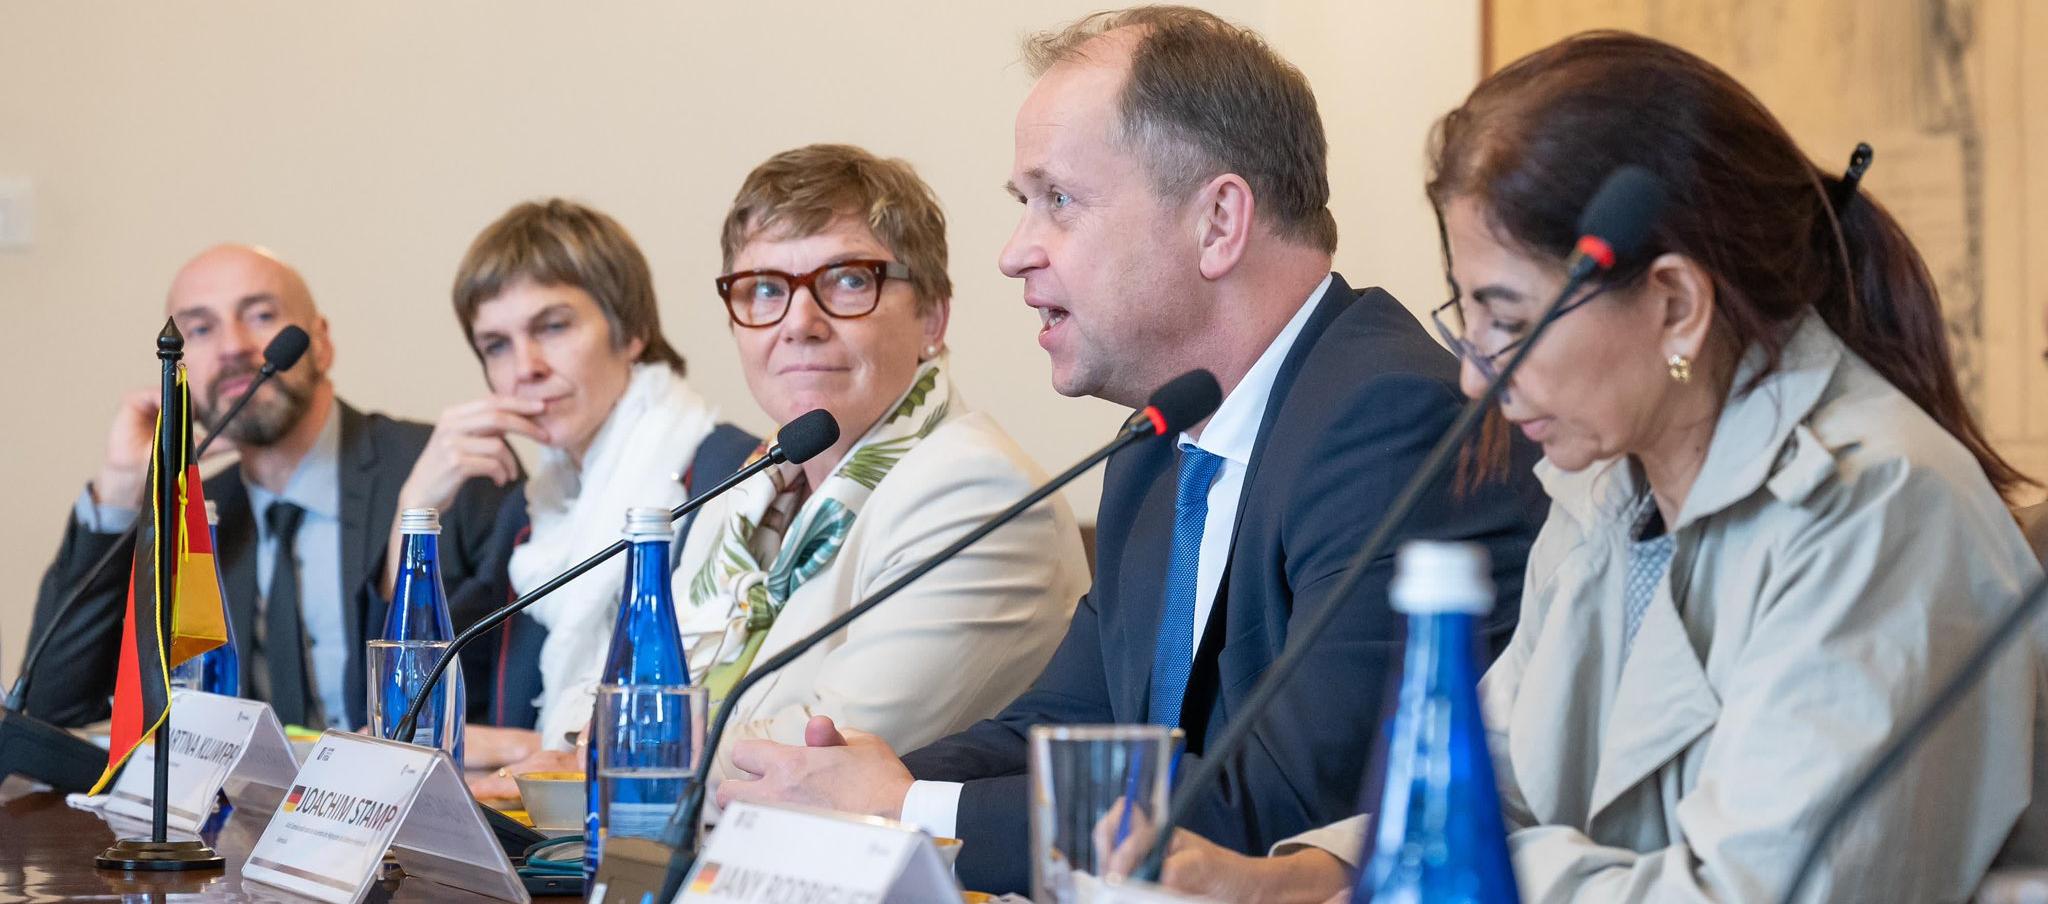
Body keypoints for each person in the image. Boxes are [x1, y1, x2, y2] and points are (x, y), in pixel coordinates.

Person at [1146, 30, 2048, 904]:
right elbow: (1490, 787)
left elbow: (1754, 894)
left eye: (1511, 320)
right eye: (1470, 314)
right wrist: (1300, 880)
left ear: (1676, 304)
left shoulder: (1881, 509)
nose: (1473, 372)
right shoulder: (1603, 492)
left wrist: (1444, 879)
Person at [712, 8, 1549, 894]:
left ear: (1219, 222)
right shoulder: (1156, 446)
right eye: (1021, 205)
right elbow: (1065, 723)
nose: (1013, 253)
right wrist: (849, 782)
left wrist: (910, 809)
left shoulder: (1392, 420)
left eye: (1058, 202)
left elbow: (1288, 808)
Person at [670, 142, 1091, 800]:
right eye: (764, 290)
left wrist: (615, 742)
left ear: (933, 316)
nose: (798, 324)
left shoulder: (977, 493)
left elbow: (819, 759)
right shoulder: (749, 491)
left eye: (847, 281)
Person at [24, 244, 511, 730]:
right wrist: (122, 488)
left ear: (321, 342)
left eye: (260, 315)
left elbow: (501, 699)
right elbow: (54, 706)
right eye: (199, 328)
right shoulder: (195, 516)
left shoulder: (448, 476)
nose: (233, 346)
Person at [385, 199, 757, 791]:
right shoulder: (536, 511)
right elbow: (420, 704)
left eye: (552, 327)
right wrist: (415, 509)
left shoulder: (727, 475)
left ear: (631, 330)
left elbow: (704, 724)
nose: (524, 368)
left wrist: (534, 754)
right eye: (496, 345)